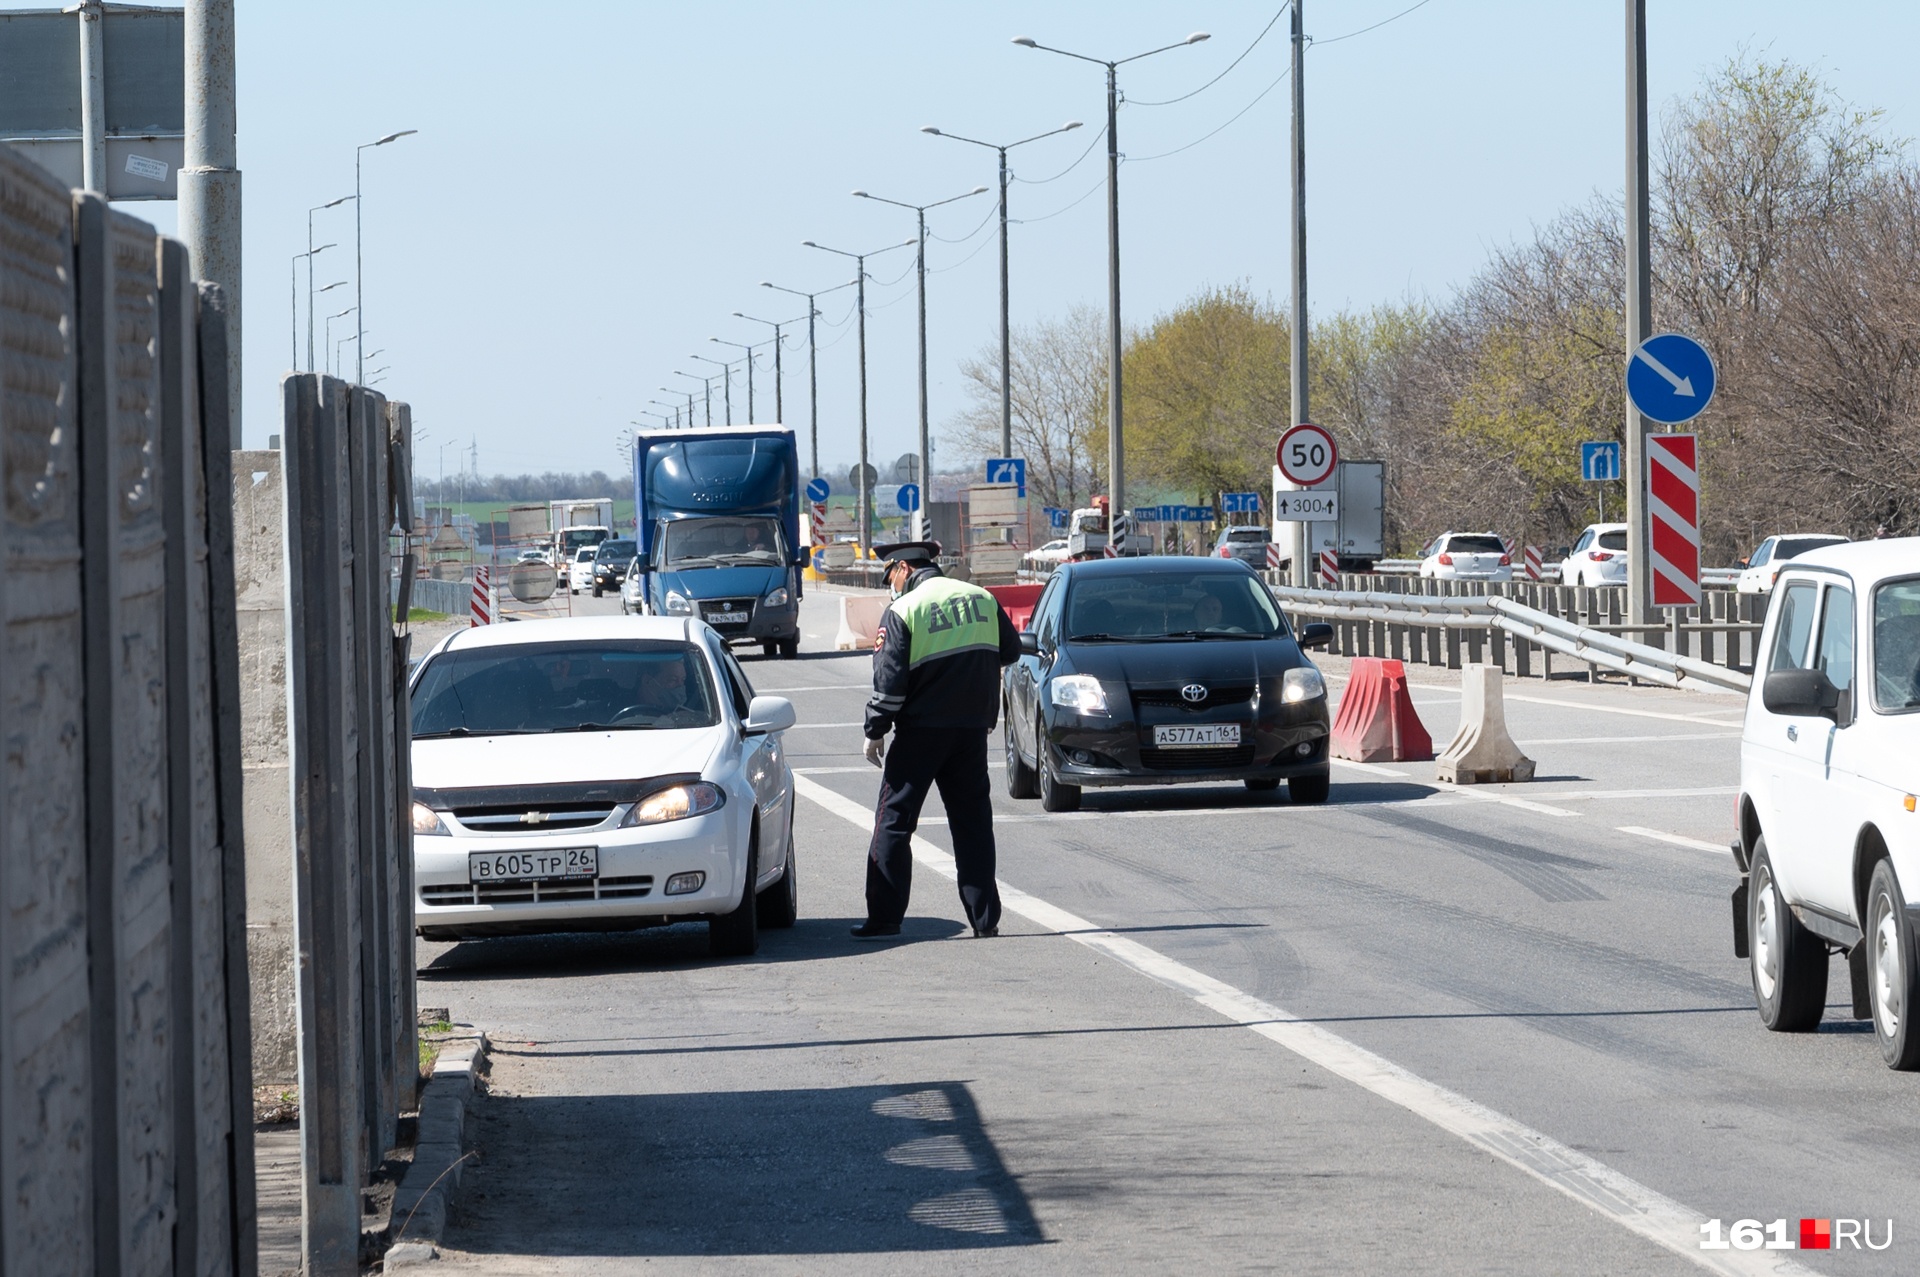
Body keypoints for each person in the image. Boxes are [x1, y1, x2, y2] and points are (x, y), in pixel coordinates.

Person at [854, 540, 1023, 939]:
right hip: (971, 733)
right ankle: (986, 921)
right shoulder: (981, 598)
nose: (889, 585)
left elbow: (890, 685)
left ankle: (884, 919)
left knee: (894, 823)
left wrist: (874, 731)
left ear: (903, 569)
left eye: (889, 576)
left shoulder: (903, 610)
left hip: (920, 734)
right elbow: (1011, 649)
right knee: (973, 826)